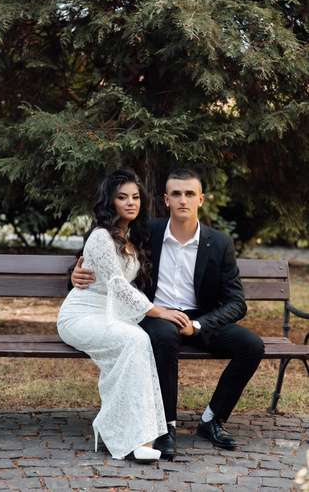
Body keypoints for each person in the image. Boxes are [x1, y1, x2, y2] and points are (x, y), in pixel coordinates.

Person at [71, 168, 265, 456]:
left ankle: (212, 420)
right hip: (156, 316)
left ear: (201, 199)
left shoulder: (220, 243)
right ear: (166, 199)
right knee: (163, 335)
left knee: (252, 345)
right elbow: (107, 254)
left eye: (189, 194)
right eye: (176, 194)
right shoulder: (147, 231)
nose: (183, 200)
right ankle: (166, 426)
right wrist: (75, 271)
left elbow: (237, 303)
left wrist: (198, 325)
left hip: (199, 318)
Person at [57, 167, 194, 463]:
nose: (131, 203)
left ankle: (142, 437)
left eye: (135, 197)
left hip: (110, 315)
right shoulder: (100, 236)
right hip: (81, 315)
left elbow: (121, 281)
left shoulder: (131, 235)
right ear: (110, 202)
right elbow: (117, 284)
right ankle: (123, 432)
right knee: (135, 339)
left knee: (139, 341)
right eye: (122, 197)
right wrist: (161, 312)